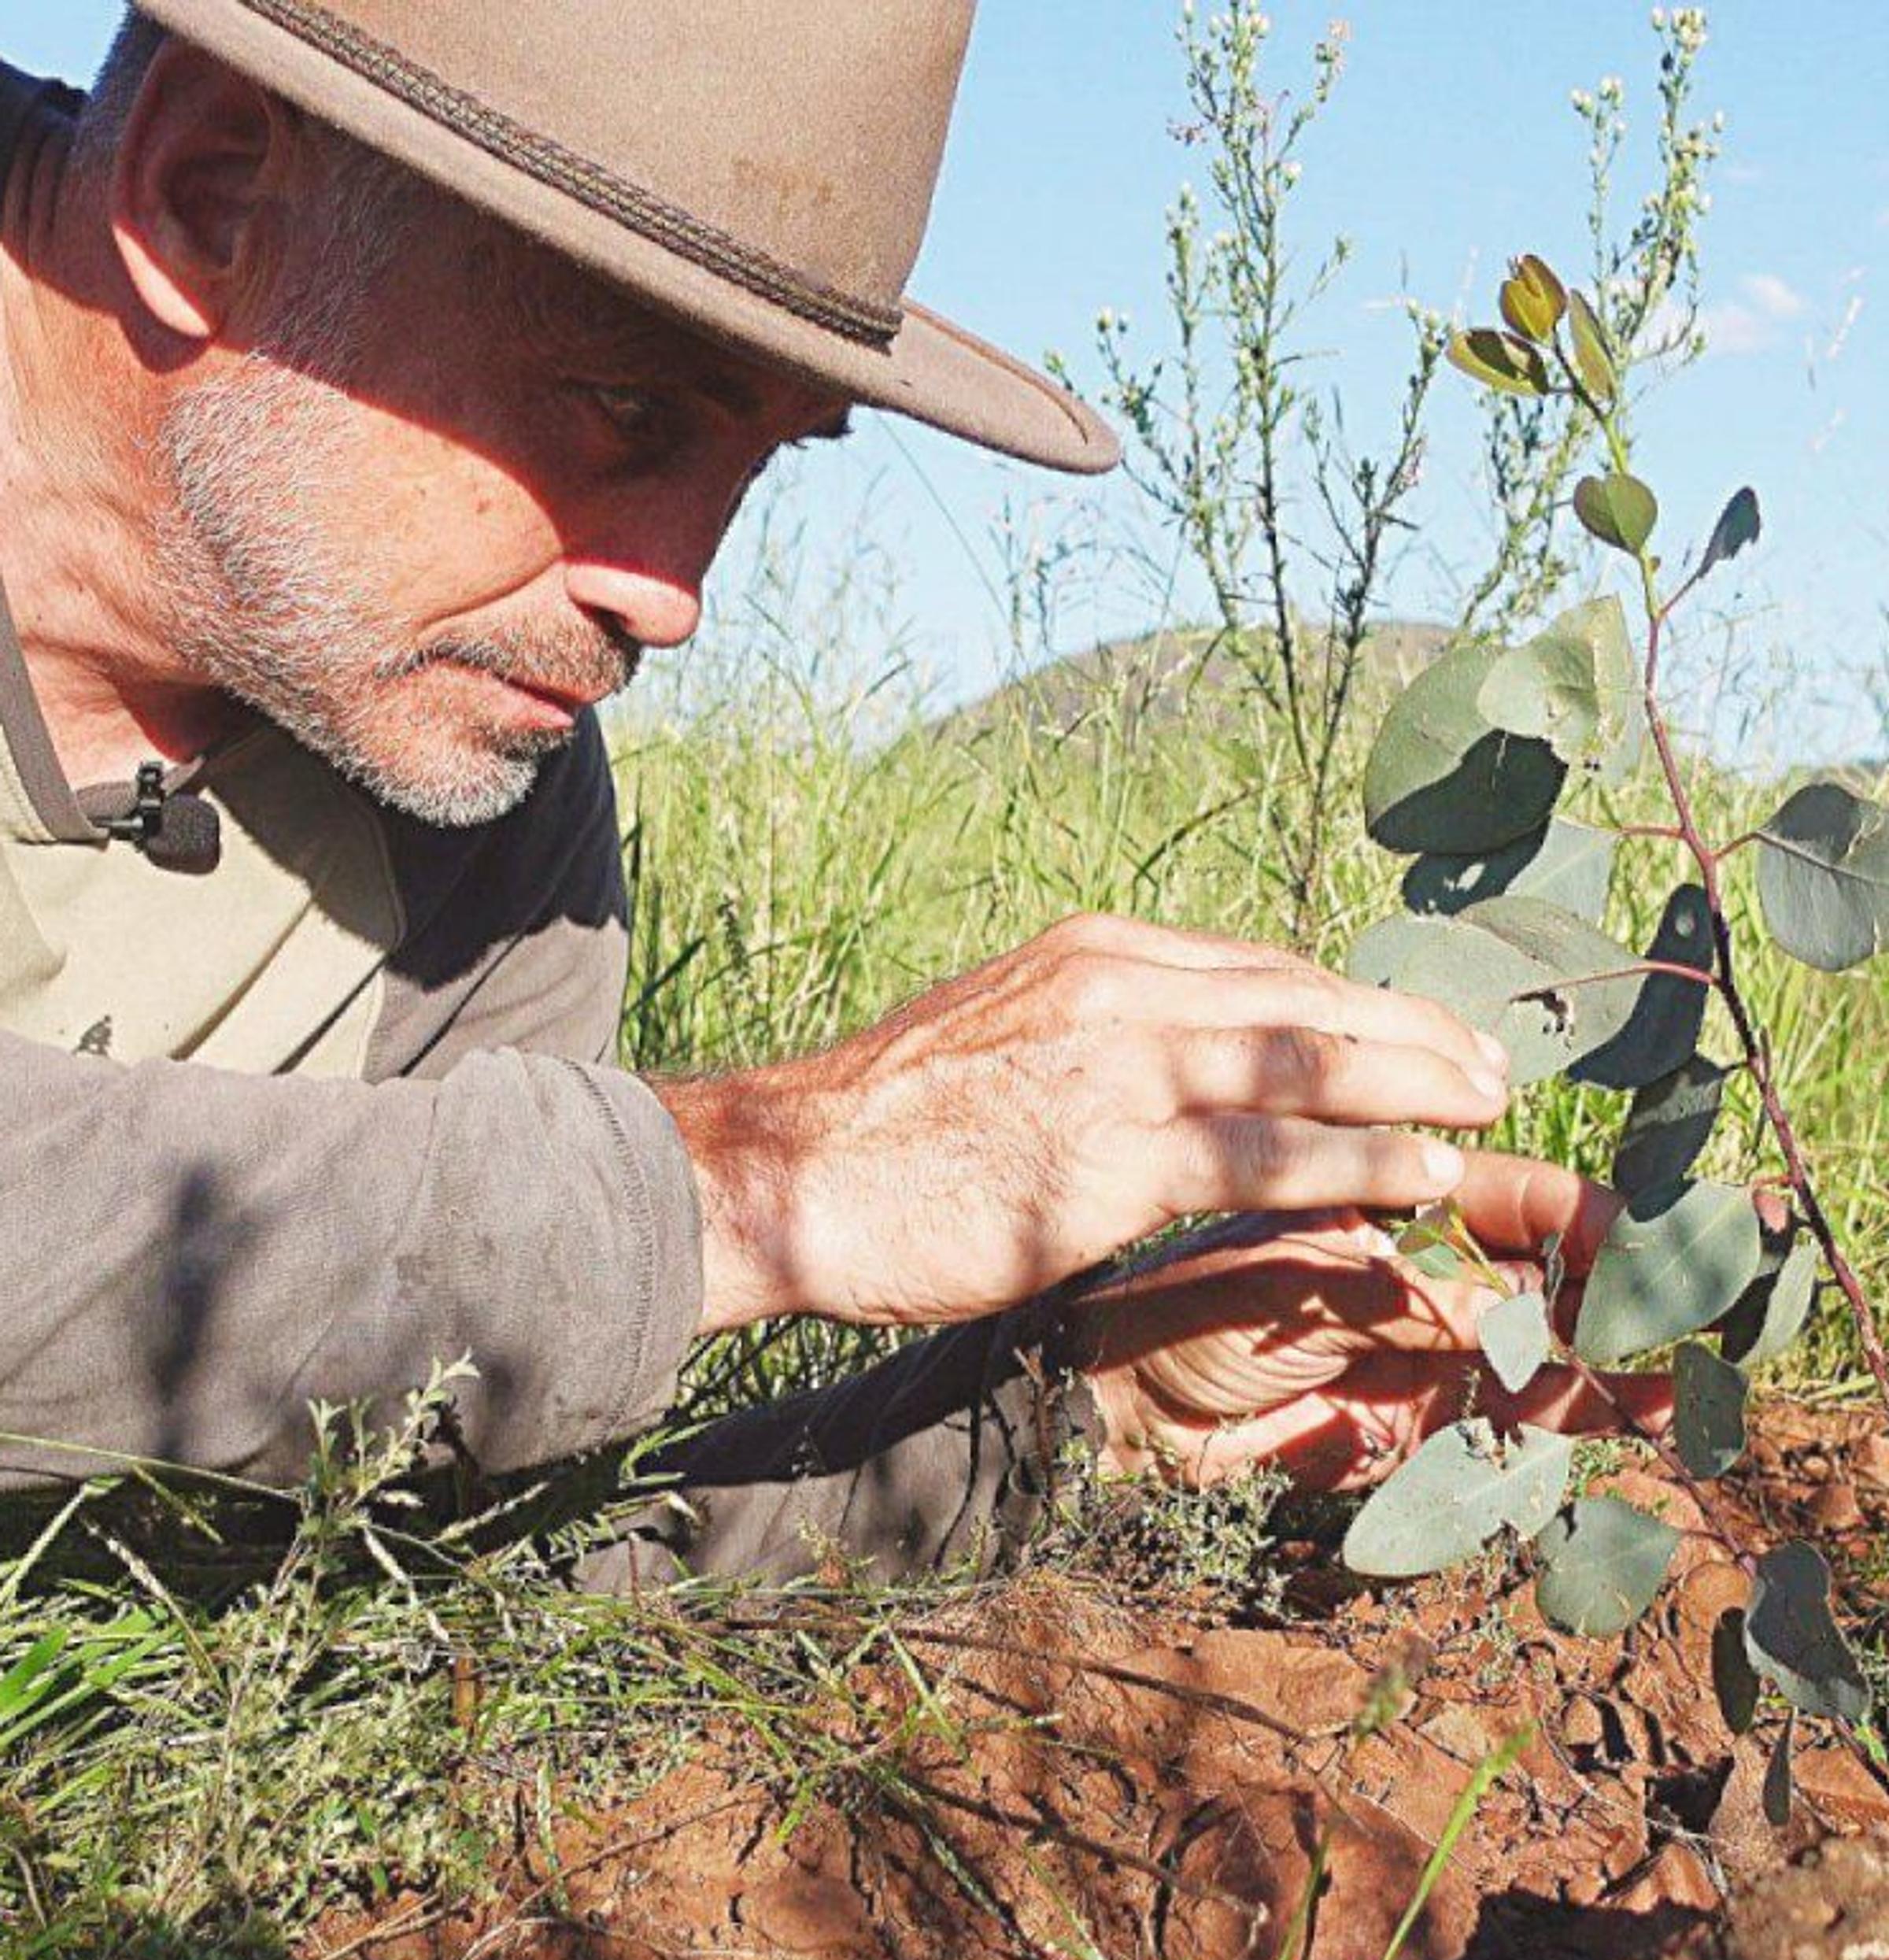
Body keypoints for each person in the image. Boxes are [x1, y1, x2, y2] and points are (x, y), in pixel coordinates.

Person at [0, 3, 1665, 1582]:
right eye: (625, 408)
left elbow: (421, 1569)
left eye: (761, 462)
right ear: (206, 196)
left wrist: (1078, 1407)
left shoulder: (482, 793)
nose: (671, 597)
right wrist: (766, 1177)